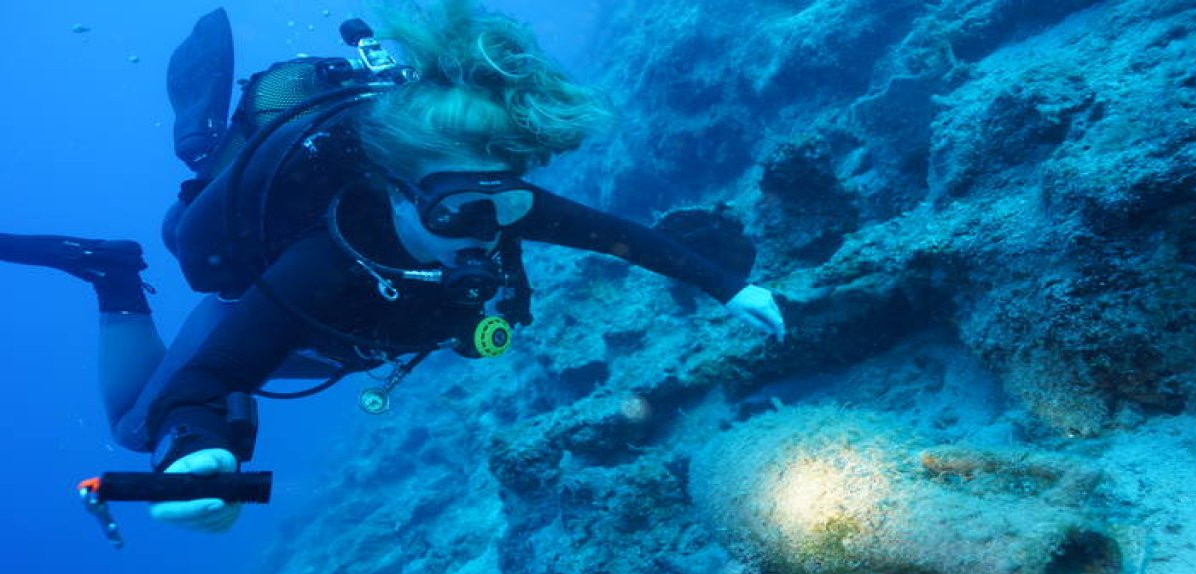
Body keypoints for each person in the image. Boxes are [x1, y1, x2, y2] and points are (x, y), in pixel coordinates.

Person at [0, 1, 785, 534]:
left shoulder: (494, 201)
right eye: (459, 214)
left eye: (508, 203)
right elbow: (207, 381)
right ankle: (110, 271)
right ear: (396, 192)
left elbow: (621, 237)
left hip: (355, 335)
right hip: (286, 315)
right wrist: (200, 456)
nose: (489, 232)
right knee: (139, 428)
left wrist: (730, 286)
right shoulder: (319, 262)